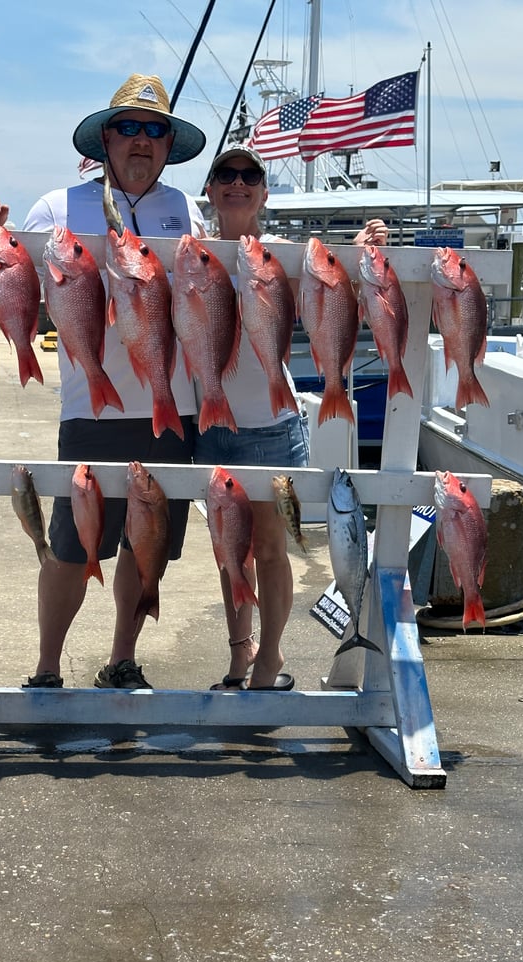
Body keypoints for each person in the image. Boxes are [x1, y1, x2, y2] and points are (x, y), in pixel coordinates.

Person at [0, 74, 207, 690]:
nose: (142, 141)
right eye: (129, 127)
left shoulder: (186, 210)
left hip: (169, 405)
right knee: (72, 547)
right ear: (106, 138)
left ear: (169, 142)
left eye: (156, 130)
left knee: (141, 543)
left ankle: (122, 658)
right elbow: (1, 273)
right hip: (88, 408)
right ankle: (46, 668)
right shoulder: (56, 207)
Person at [199, 144, 387, 692]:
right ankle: (241, 652)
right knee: (228, 550)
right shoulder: (187, 248)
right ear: (210, 189)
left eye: (249, 175)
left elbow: (332, 295)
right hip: (210, 428)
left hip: (273, 425)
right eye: (226, 175)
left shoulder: (285, 254)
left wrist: (359, 253)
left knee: (271, 549)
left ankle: (270, 657)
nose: (238, 183)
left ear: (263, 190)